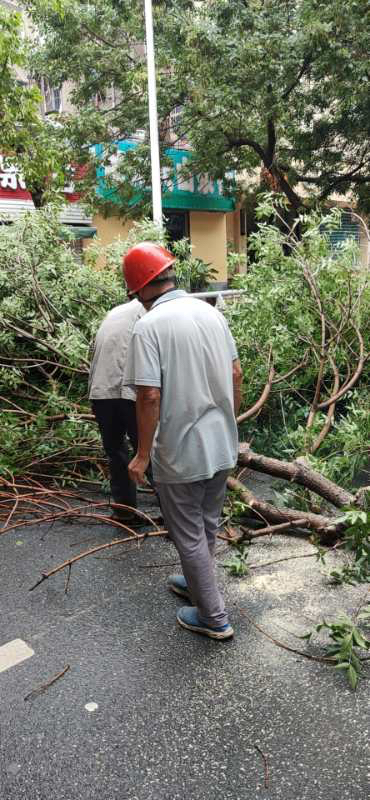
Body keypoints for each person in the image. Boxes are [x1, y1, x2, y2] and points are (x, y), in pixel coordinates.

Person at [123, 242, 243, 640]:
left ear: (140, 289)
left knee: (188, 534)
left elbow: (149, 396)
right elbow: (236, 375)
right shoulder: (211, 312)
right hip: (222, 444)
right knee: (205, 524)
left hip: (181, 453)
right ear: (171, 276)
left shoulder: (148, 326)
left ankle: (214, 618)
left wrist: (141, 456)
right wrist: (231, 423)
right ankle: (197, 583)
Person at [88, 298, 151, 525]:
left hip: (101, 390)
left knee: (116, 452)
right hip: (128, 390)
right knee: (149, 450)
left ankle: (124, 511)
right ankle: (176, 515)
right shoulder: (150, 310)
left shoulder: (115, 311)